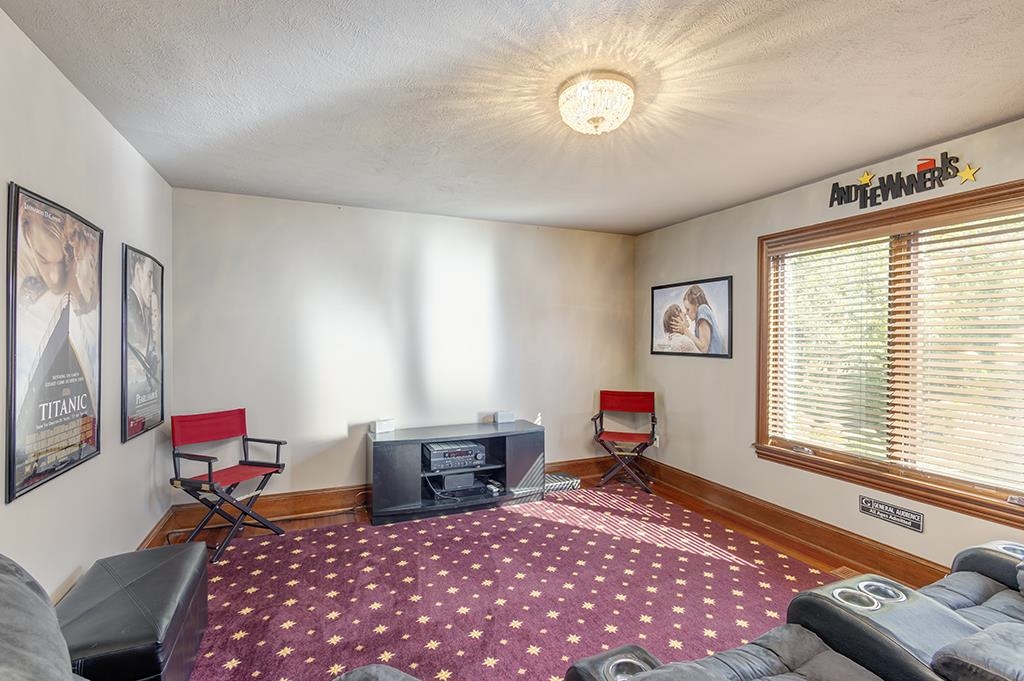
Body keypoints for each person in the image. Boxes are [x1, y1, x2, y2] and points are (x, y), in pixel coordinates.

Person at [670, 284, 725, 354]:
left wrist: (685, 330)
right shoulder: (701, 314)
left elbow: (704, 348)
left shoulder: (702, 310)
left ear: (696, 304)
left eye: (688, 309)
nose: (686, 313)